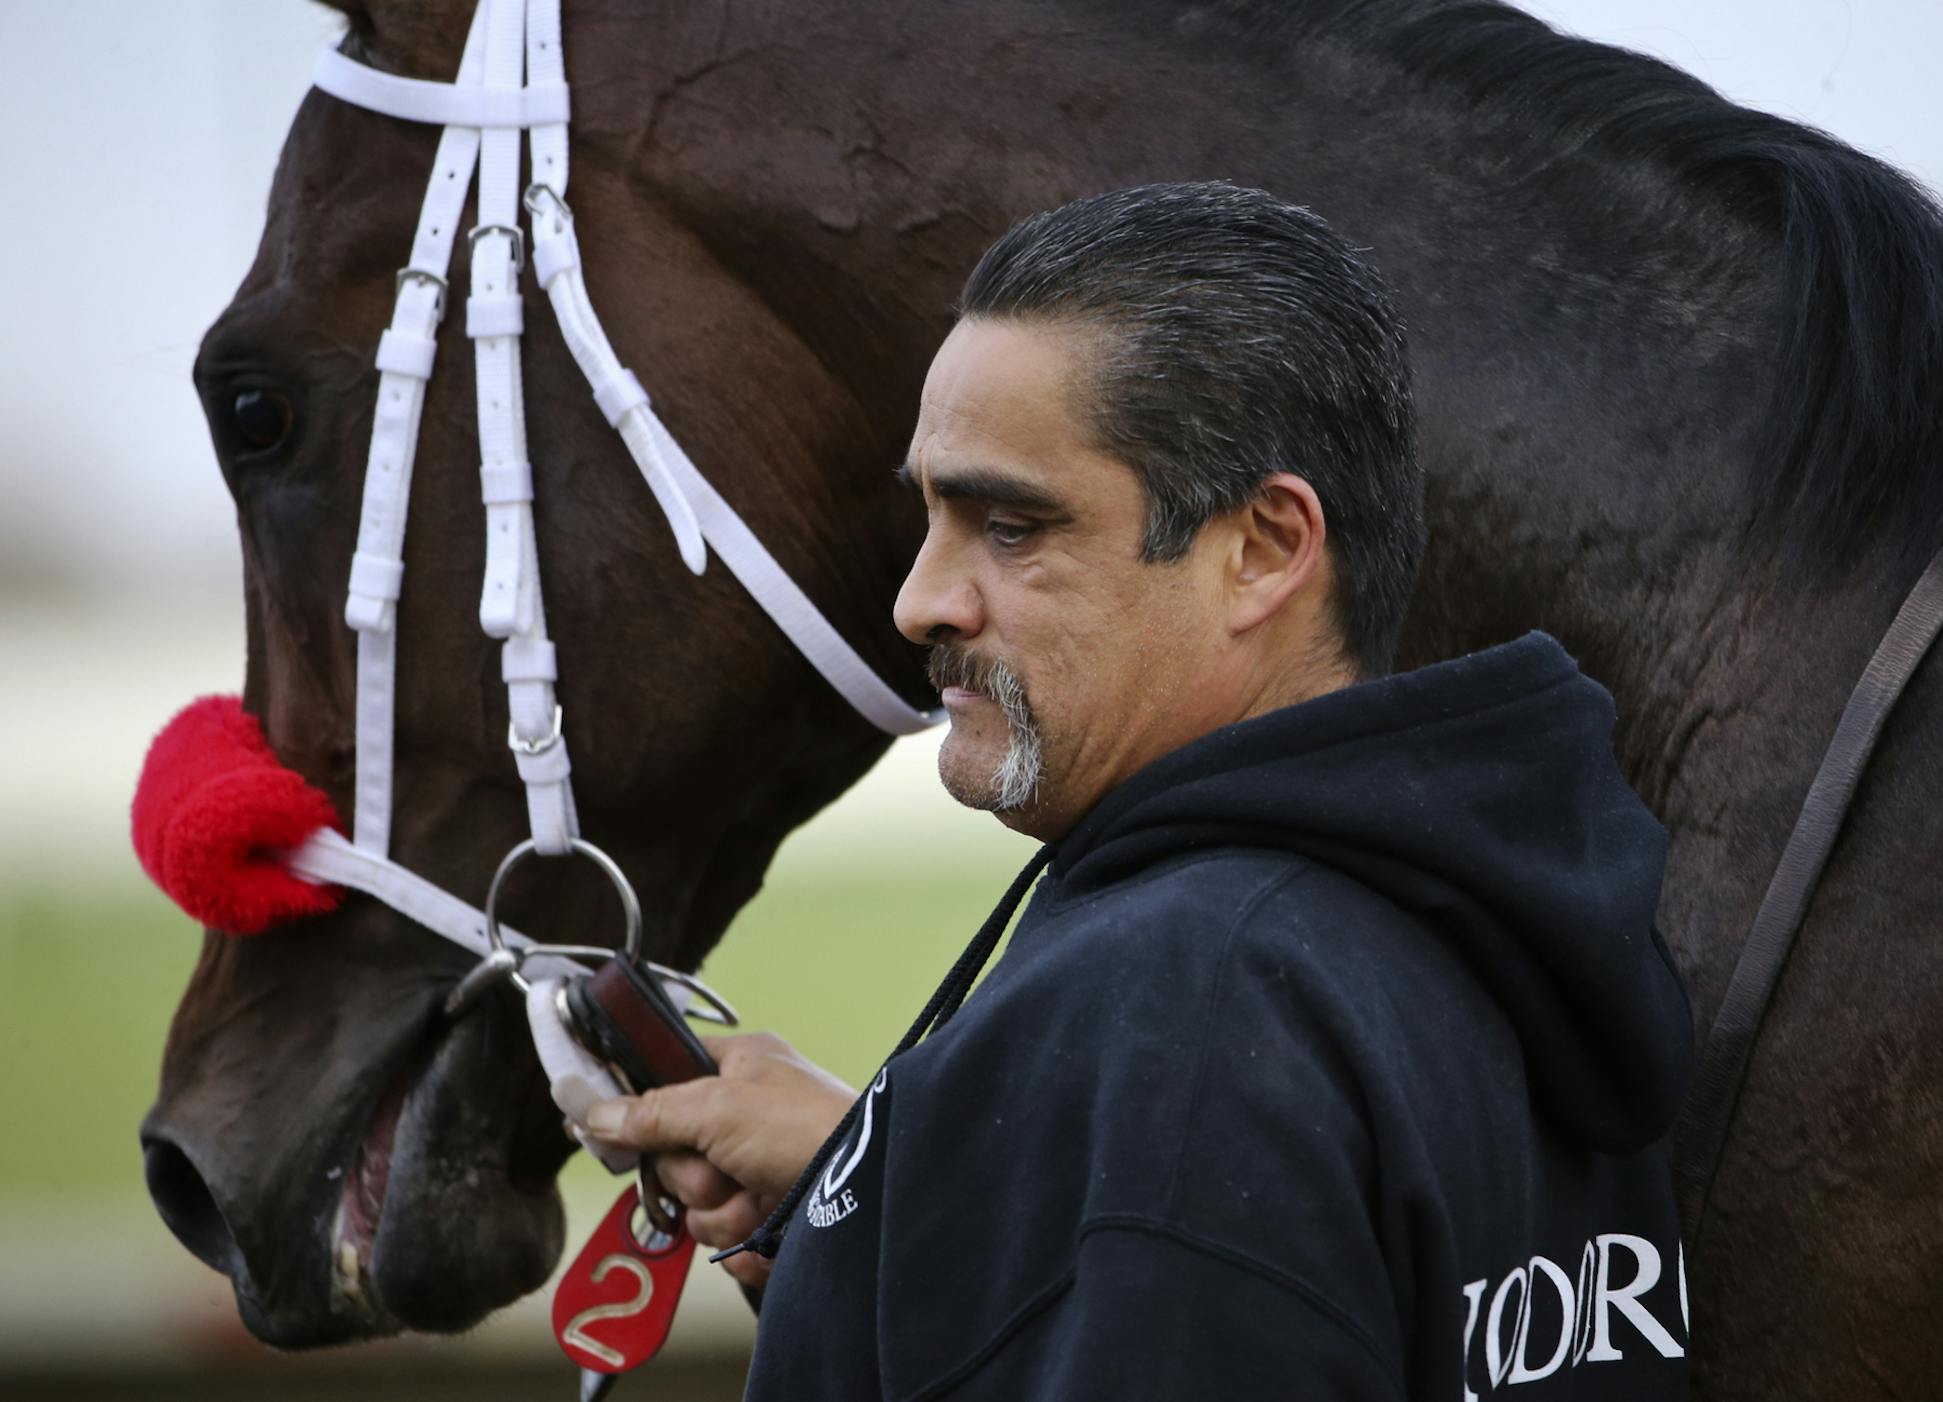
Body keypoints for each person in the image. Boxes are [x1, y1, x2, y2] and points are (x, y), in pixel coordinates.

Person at [585, 182, 1695, 1399]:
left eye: (1009, 526)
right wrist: (896, 1200)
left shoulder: (1189, 1009)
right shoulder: (1501, 933)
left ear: (1263, 550)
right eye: (931, 517)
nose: (920, 601)